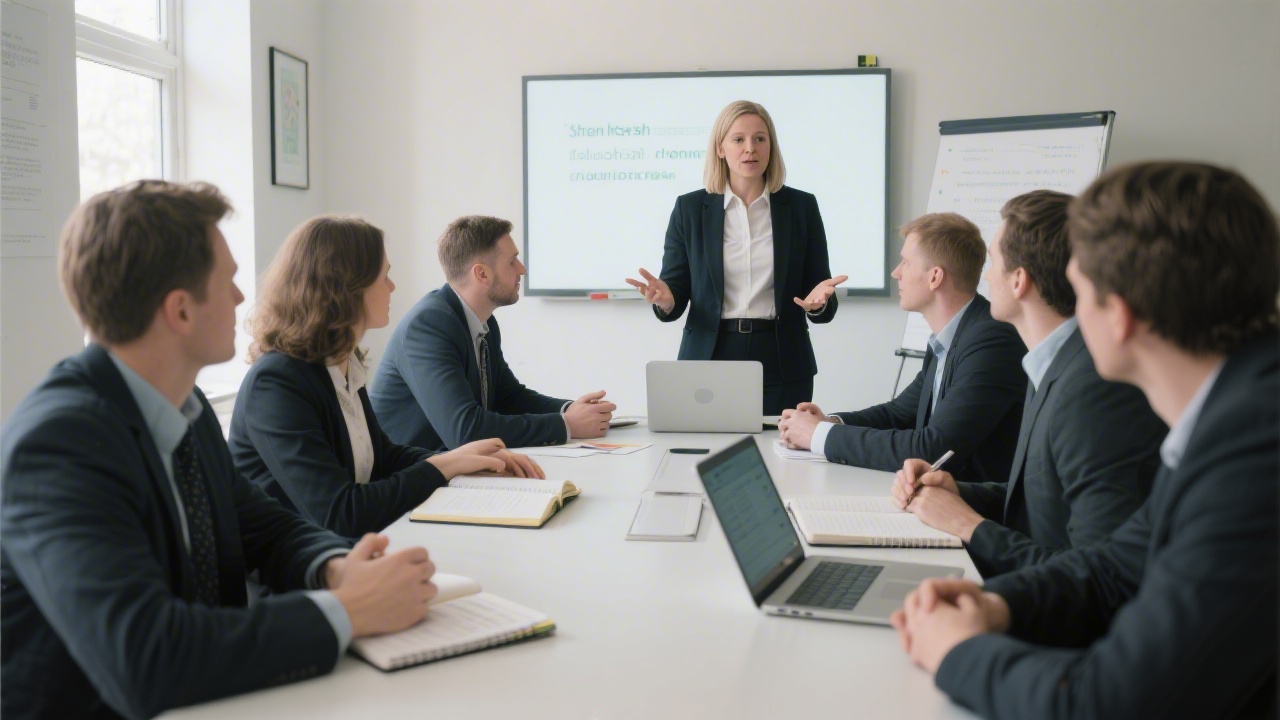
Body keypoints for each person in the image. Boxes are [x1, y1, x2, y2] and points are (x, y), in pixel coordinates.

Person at [1, 181, 442, 719]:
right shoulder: (58, 447)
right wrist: (346, 610)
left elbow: (267, 528)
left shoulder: (186, 407)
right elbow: (148, 658)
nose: (241, 298)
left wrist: (335, 568)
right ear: (181, 312)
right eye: (229, 281)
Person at [891, 162, 1279, 719]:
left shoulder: (1252, 464)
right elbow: (1114, 569)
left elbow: (1106, 700)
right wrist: (995, 604)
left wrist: (956, 650)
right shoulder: (1229, 415)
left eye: (1080, 287)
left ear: (1117, 316)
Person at [888, 190, 1166, 578]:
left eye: (994, 262)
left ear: (1019, 280)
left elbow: (1100, 576)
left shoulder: (1092, 389)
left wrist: (967, 525)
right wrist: (959, 491)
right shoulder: (1050, 363)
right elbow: (1041, 499)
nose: (985, 276)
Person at [228, 215, 543, 539]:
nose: (392, 287)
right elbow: (340, 513)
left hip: (349, 552)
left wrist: (464, 461)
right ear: (345, 287)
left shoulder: (341, 361)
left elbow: (383, 455)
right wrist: (445, 466)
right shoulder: (276, 383)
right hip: (294, 576)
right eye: (384, 277)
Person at [624, 100, 848, 415]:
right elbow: (676, 288)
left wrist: (820, 303)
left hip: (782, 356)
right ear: (720, 148)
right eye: (738, 139)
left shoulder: (800, 207)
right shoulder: (690, 209)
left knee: (784, 456)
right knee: (706, 454)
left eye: (760, 138)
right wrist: (666, 299)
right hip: (710, 354)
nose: (750, 149)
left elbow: (819, 286)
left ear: (771, 147)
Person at [779, 213, 1026, 484]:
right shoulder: (953, 337)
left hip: (978, 509)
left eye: (906, 262)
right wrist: (829, 423)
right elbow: (899, 413)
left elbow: (931, 449)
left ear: (935, 277)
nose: (896, 272)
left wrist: (817, 436)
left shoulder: (990, 341)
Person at [371, 216, 615, 451]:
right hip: (414, 479)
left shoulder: (483, 322)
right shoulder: (428, 325)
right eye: (512, 261)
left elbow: (508, 397)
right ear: (482, 274)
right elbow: (465, 431)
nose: (522, 269)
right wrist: (567, 426)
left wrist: (571, 410)